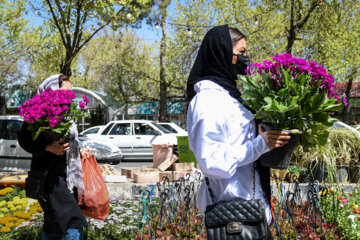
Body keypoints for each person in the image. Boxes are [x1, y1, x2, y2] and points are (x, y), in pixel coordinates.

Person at [186, 25, 291, 238]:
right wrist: (260, 145)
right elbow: (212, 163)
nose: (245, 58)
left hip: (252, 213)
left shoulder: (231, 97)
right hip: (233, 220)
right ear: (222, 53)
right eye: (241, 53)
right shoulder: (208, 102)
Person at [18, 74, 87, 240]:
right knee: (73, 221)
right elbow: (24, 140)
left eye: (71, 93)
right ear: (51, 90)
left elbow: (68, 141)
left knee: (54, 225)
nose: (69, 97)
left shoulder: (66, 115)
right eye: (65, 92)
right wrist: (48, 147)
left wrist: (79, 152)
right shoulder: (38, 114)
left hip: (67, 178)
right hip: (49, 178)